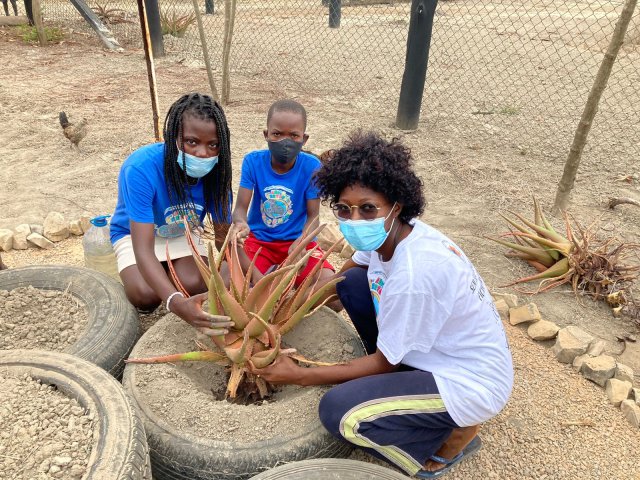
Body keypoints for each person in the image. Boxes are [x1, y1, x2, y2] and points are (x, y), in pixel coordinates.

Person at [249, 131, 514, 479]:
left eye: (368, 208)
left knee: (339, 412)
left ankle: (448, 440)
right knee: (354, 284)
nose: (355, 220)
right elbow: (351, 270)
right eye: (344, 209)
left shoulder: (415, 275)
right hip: (437, 353)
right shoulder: (397, 233)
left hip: (467, 384)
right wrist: (298, 310)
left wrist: (299, 375)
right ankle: (417, 403)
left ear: (396, 205)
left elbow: (384, 364)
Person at [110, 93, 233, 336]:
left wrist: (235, 274)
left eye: (213, 145)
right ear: (173, 137)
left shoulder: (218, 174)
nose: (202, 153)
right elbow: (143, 248)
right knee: (145, 295)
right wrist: (174, 302)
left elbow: (223, 237)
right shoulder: (141, 168)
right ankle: (161, 277)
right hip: (138, 234)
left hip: (184, 233)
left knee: (194, 282)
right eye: (191, 142)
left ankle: (168, 274)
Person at [232, 99, 334, 287]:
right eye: (277, 134)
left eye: (294, 135)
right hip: (260, 242)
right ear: (266, 134)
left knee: (329, 289)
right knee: (233, 282)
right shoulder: (253, 162)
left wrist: (302, 241)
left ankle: (286, 289)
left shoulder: (312, 167)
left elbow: (314, 216)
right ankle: (274, 279)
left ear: (304, 139)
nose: (285, 141)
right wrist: (240, 224)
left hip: (298, 243)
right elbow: (240, 208)